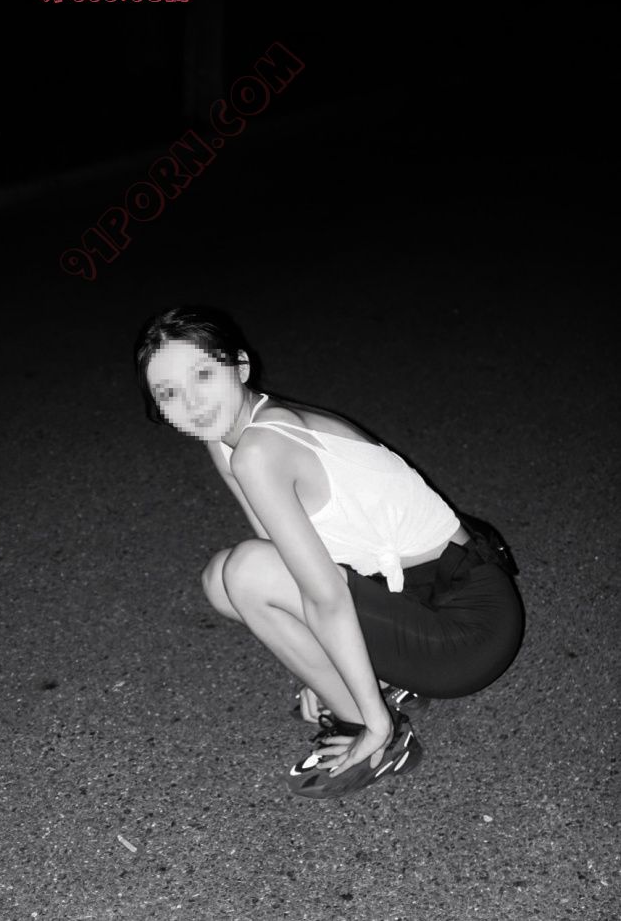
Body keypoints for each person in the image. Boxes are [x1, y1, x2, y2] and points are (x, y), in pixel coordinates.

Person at [134, 305, 525, 799]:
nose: (191, 402)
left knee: (247, 572)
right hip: (414, 601)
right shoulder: (228, 437)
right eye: (168, 393)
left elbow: (325, 596)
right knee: (222, 579)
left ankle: (381, 735)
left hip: (467, 633)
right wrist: (319, 665)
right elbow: (288, 558)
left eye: (203, 375)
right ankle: (380, 687)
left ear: (241, 367)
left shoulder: (260, 449)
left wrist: (367, 716)